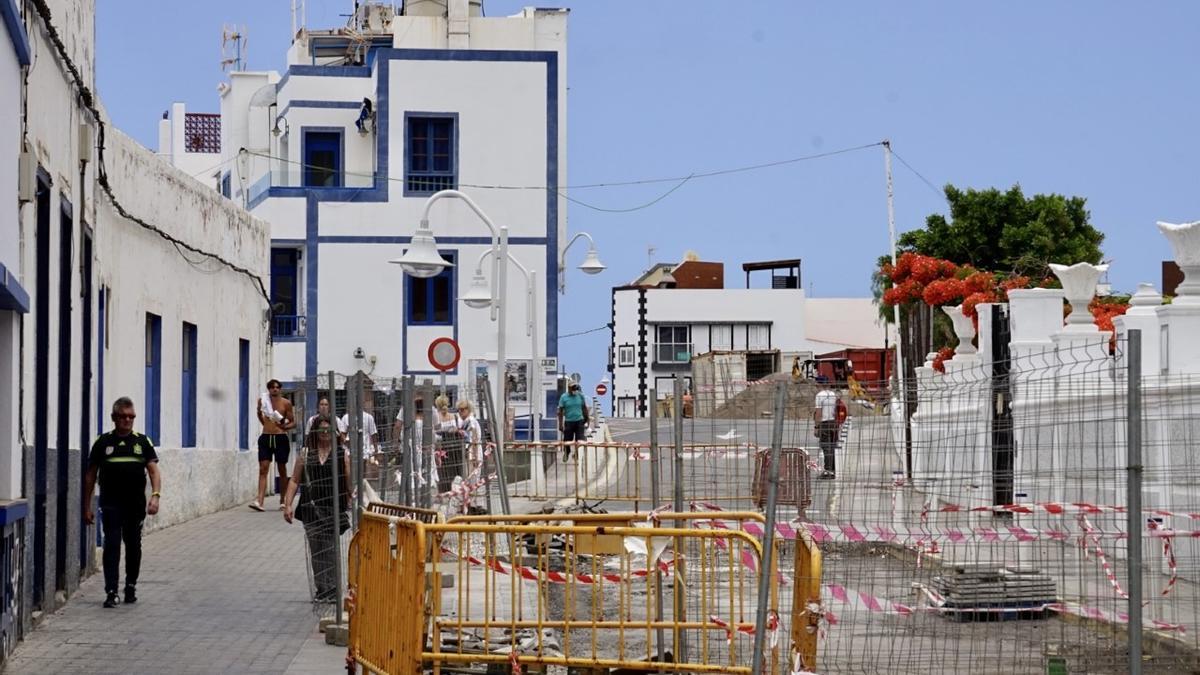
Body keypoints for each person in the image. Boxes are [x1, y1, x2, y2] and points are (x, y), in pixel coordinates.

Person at [83, 397, 162, 608]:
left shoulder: (142, 442)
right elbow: (90, 475)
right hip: (110, 504)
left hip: (135, 505)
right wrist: (87, 506)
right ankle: (111, 591)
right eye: (123, 417)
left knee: (133, 546)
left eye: (131, 417)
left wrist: (155, 496)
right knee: (112, 545)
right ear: (113, 418)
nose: (127, 420)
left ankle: (130, 586)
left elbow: (154, 471)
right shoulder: (103, 443)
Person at [282, 414, 351, 603]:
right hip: (311, 507)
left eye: (329, 429)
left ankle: (333, 588)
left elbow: (349, 481)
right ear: (315, 432)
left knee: (330, 548)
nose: (325, 433)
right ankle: (322, 588)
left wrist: (352, 496)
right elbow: (295, 480)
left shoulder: (341, 454)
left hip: (332, 507)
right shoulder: (306, 453)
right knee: (316, 549)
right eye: (321, 429)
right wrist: (287, 504)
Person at [252, 379, 295, 512]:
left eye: (277, 387)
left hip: (280, 437)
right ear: (269, 389)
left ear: (280, 389)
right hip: (266, 437)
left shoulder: (286, 403)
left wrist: (284, 427)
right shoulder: (263, 401)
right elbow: (261, 417)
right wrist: (262, 418)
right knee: (263, 468)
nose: (274, 389)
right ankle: (259, 501)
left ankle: (282, 500)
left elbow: (293, 422)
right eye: (271, 387)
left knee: (282, 469)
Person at [455, 399, 485, 514]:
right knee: (468, 480)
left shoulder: (470, 421)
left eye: (463, 409)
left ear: (468, 409)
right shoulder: (465, 421)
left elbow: (475, 439)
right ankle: (468, 504)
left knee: (473, 480)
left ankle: (472, 505)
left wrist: (475, 456)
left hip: (473, 454)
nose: (460, 412)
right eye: (459, 410)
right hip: (470, 453)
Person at [557, 382, 589, 461]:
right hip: (569, 421)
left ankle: (577, 454)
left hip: (579, 421)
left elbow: (584, 407)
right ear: (569, 388)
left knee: (580, 439)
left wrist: (587, 419)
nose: (575, 390)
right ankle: (567, 453)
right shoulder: (564, 397)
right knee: (567, 440)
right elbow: (560, 412)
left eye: (576, 388)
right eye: (573, 388)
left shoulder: (580, 396)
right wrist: (560, 424)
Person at [814, 381, 839, 479]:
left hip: (824, 423)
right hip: (833, 422)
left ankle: (828, 471)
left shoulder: (819, 395)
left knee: (826, 447)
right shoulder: (833, 394)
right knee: (832, 447)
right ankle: (832, 469)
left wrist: (816, 427)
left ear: (819, 384)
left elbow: (818, 413)